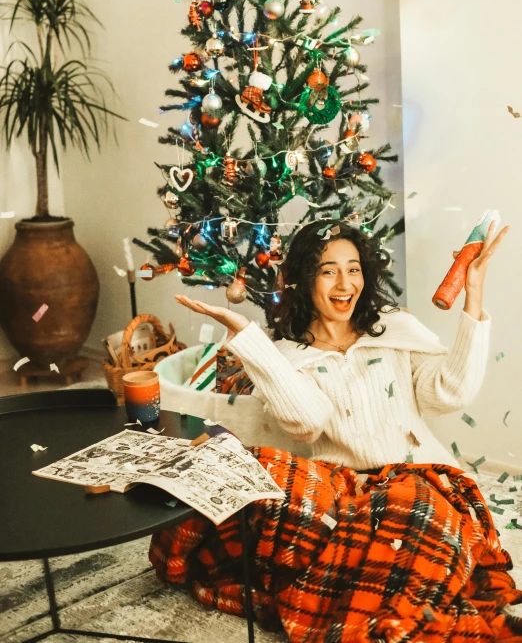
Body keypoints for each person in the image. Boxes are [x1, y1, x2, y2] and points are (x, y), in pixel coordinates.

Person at [150, 219, 522, 642]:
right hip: (342, 490)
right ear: (305, 279)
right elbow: (306, 424)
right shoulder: (287, 357)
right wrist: (248, 339)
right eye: (329, 270)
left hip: (418, 482)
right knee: (238, 464)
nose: (345, 283)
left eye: (354, 268)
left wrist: (473, 294)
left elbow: (449, 392)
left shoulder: (395, 330)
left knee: (409, 511)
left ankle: (389, 607)